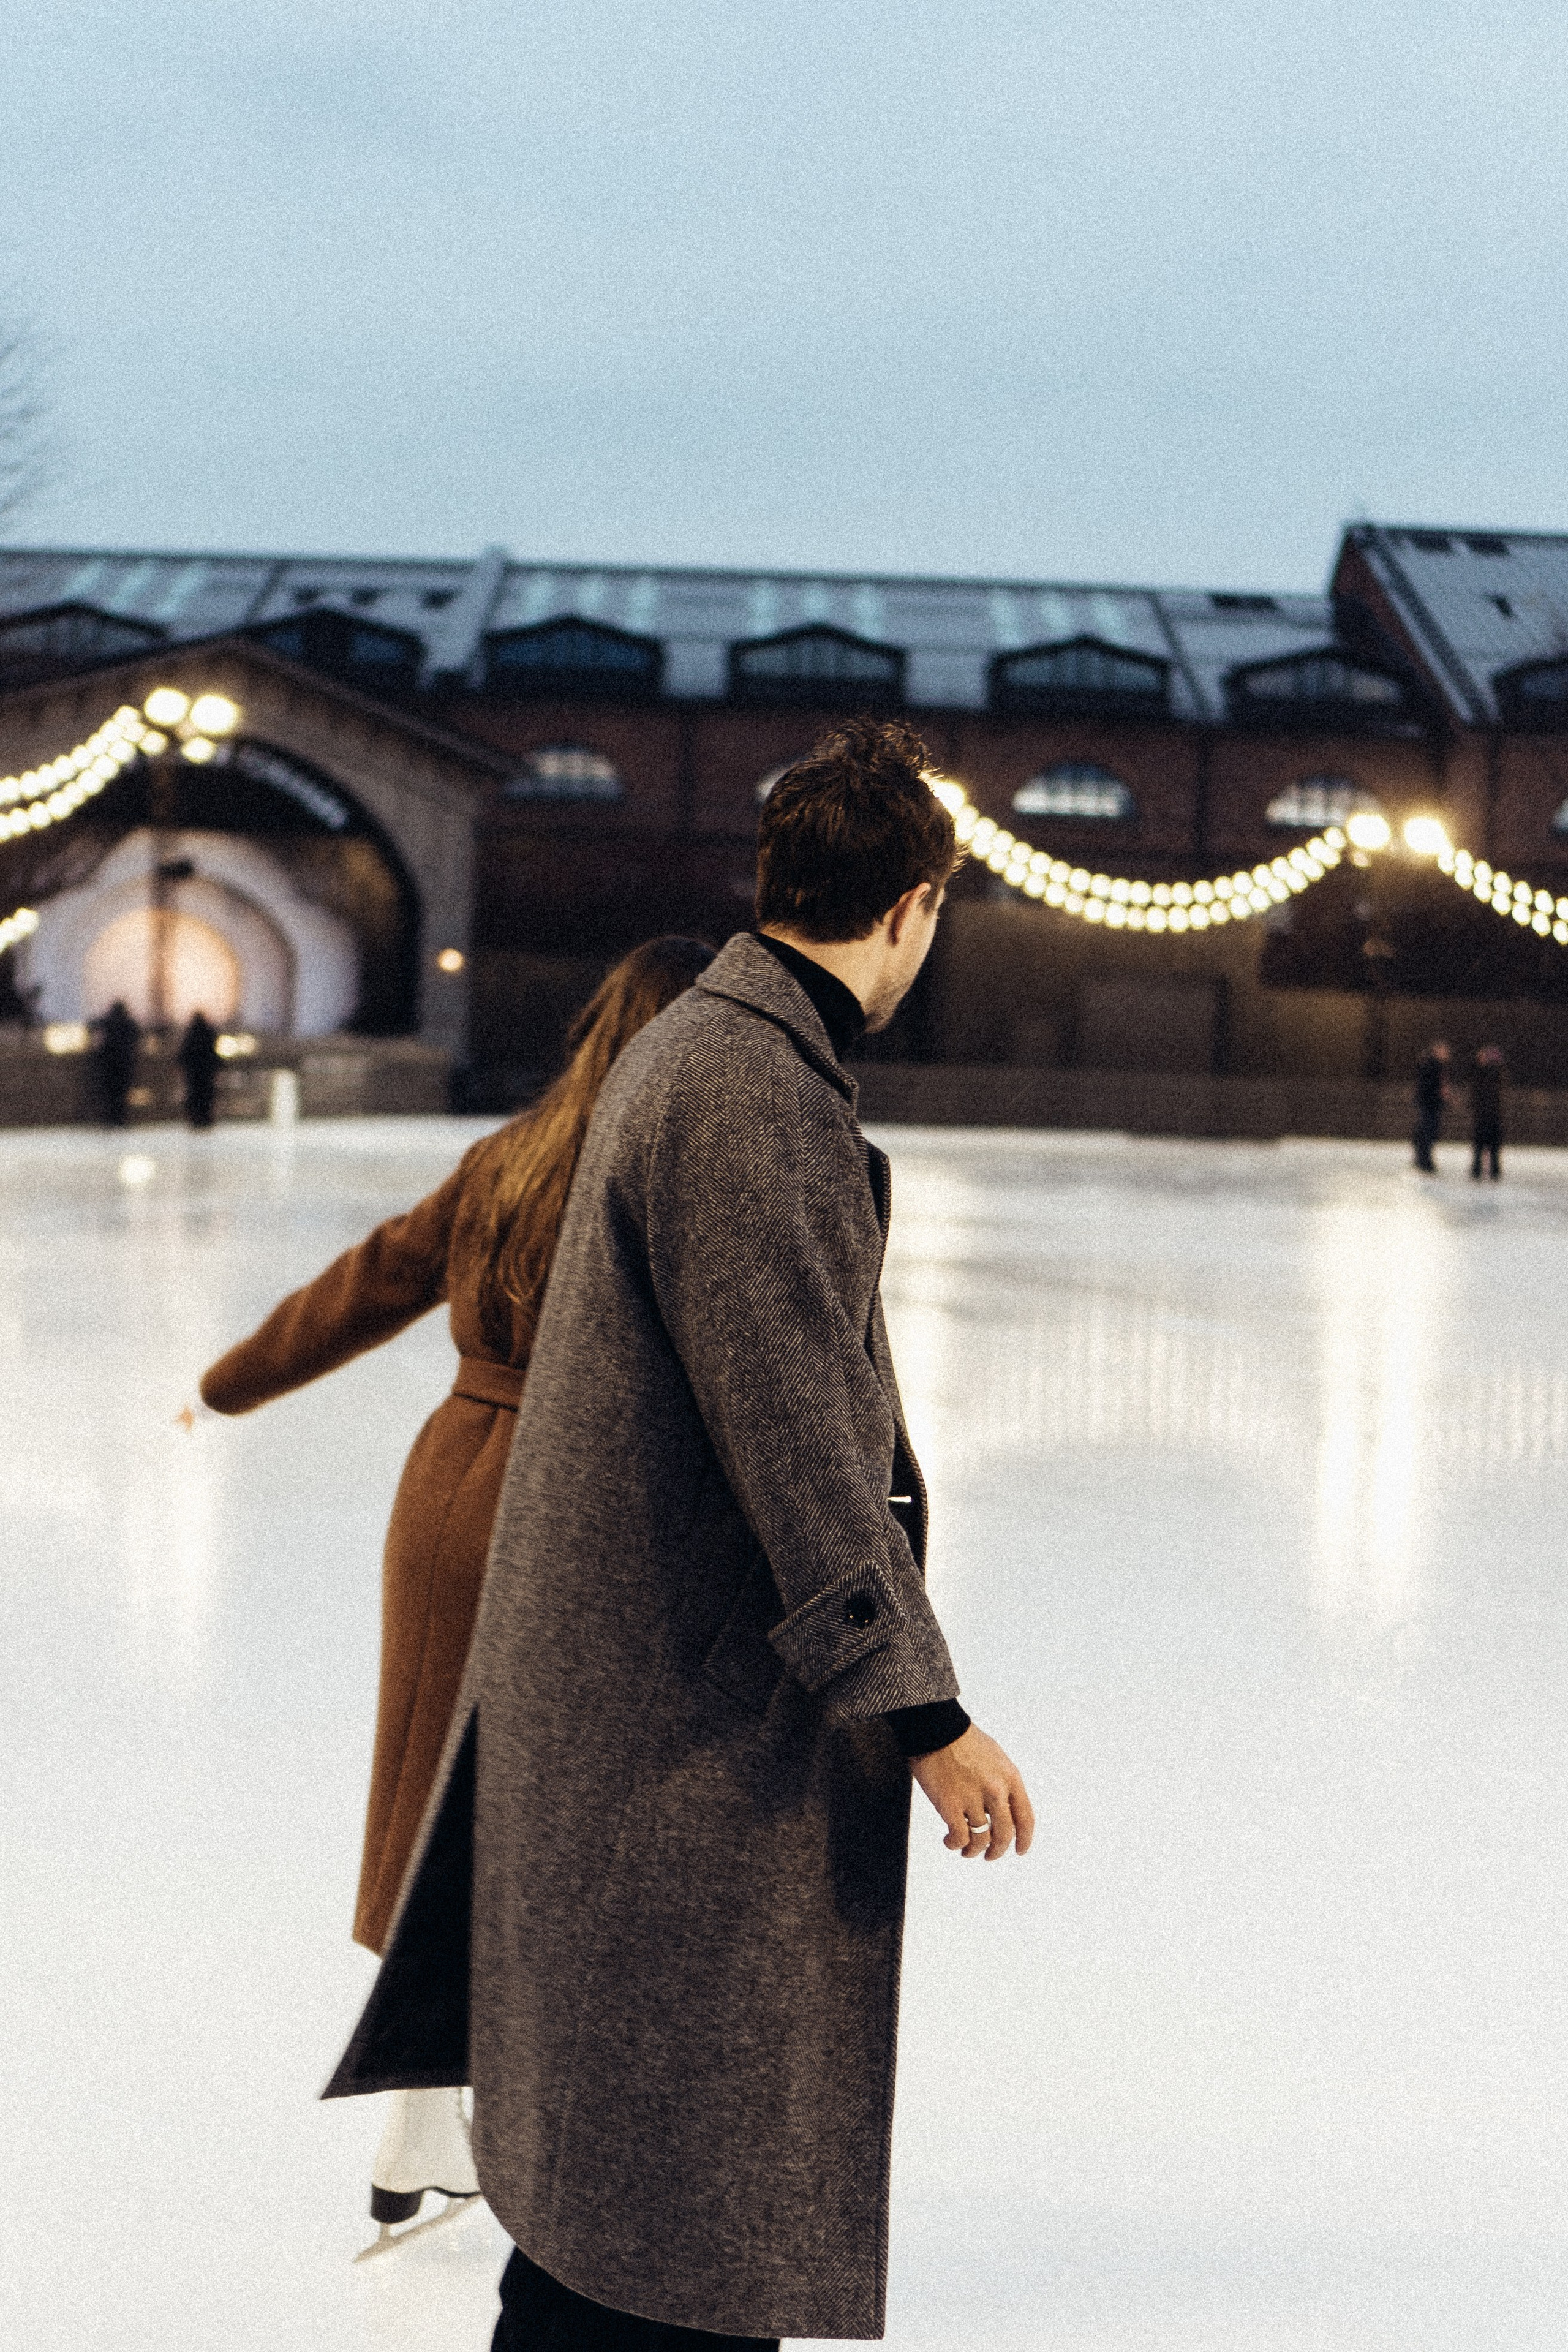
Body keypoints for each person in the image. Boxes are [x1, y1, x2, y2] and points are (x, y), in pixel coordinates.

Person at [325, 717, 1035, 2350]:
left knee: (621, 2214)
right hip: (690, 1744)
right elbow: (802, 1443)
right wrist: (924, 1716)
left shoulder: (708, 1055)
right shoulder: (750, 1094)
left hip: (650, 1712)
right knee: (672, 2226)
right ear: (914, 907)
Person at [197, 936, 715, 2245]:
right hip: (573, 1509)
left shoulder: (512, 1155)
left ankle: (425, 2128)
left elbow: (368, 1280)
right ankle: (513, 2127)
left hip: (447, 1493)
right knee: (563, 1826)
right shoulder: (670, 1171)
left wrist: (228, 1381)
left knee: (436, 1808)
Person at [91, 998, 140, 1127]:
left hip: (108, 1063)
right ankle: (120, 1119)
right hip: (125, 1063)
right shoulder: (129, 1023)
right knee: (122, 1094)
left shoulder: (108, 1021)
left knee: (109, 1094)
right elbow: (137, 1034)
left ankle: (110, 1119)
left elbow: (93, 1025)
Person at [178, 1009, 221, 1129]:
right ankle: (205, 1117)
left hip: (193, 1071)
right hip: (207, 1071)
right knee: (206, 1094)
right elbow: (213, 1051)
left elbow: (185, 1051)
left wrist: (181, 1063)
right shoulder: (209, 1032)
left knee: (194, 1093)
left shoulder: (191, 1032)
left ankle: (196, 1118)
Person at [1412, 1038, 1450, 1172]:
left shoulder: (1434, 1065)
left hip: (1431, 1103)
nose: (1447, 1054)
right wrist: (1440, 1093)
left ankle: (1422, 1159)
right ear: (1437, 1051)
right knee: (1428, 1131)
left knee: (1428, 1131)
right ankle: (1424, 1161)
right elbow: (1428, 1086)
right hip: (1429, 1103)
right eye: (1444, 1051)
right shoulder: (1431, 1065)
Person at [1471, 1044, 1505, 1180]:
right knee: (1493, 1145)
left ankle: (1479, 1170)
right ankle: (1493, 1171)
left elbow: (1478, 1094)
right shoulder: (1497, 1074)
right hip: (1492, 1113)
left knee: (1482, 1144)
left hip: (1485, 1114)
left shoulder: (1483, 1074)